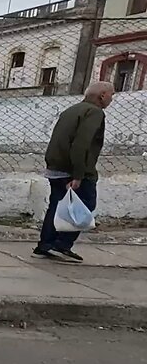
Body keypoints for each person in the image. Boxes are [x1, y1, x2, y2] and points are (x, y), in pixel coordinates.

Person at [35, 81, 113, 262]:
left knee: (57, 206)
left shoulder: (72, 110)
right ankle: (61, 244)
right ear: (102, 95)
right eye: (111, 94)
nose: (112, 98)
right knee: (85, 206)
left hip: (56, 167)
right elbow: (81, 145)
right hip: (75, 169)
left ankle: (45, 244)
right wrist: (78, 175)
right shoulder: (94, 113)